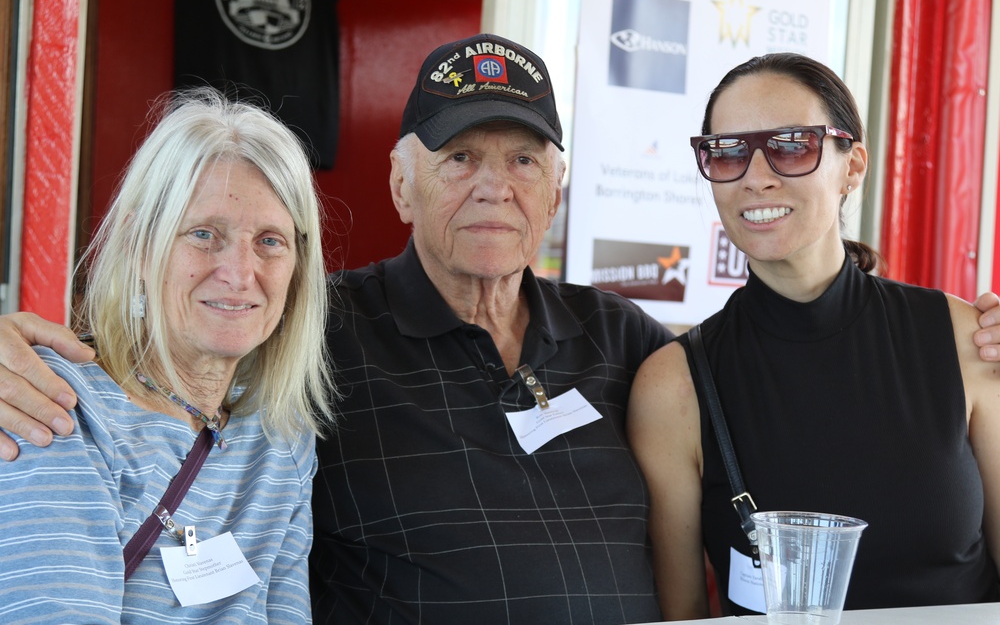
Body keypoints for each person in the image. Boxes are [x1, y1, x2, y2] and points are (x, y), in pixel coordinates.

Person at [2, 36, 1000, 625]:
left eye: (523, 160)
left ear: (556, 190)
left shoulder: (625, 342)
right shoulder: (315, 326)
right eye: (458, 155)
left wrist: (946, 337)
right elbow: (167, 343)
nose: (493, 184)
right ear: (400, 179)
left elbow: (789, 378)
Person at [627, 52, 1000, 621]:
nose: (756, 176)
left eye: (791, 144)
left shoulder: (964, 336)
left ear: (853, 167)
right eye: (727, 152)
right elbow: (682, 615)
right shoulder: (674, 386)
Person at [0, 88, 335, 623]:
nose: (240, 273)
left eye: (270, 241)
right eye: (204, 234)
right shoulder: (59, 407)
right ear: (138, 245)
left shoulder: (280, 443)